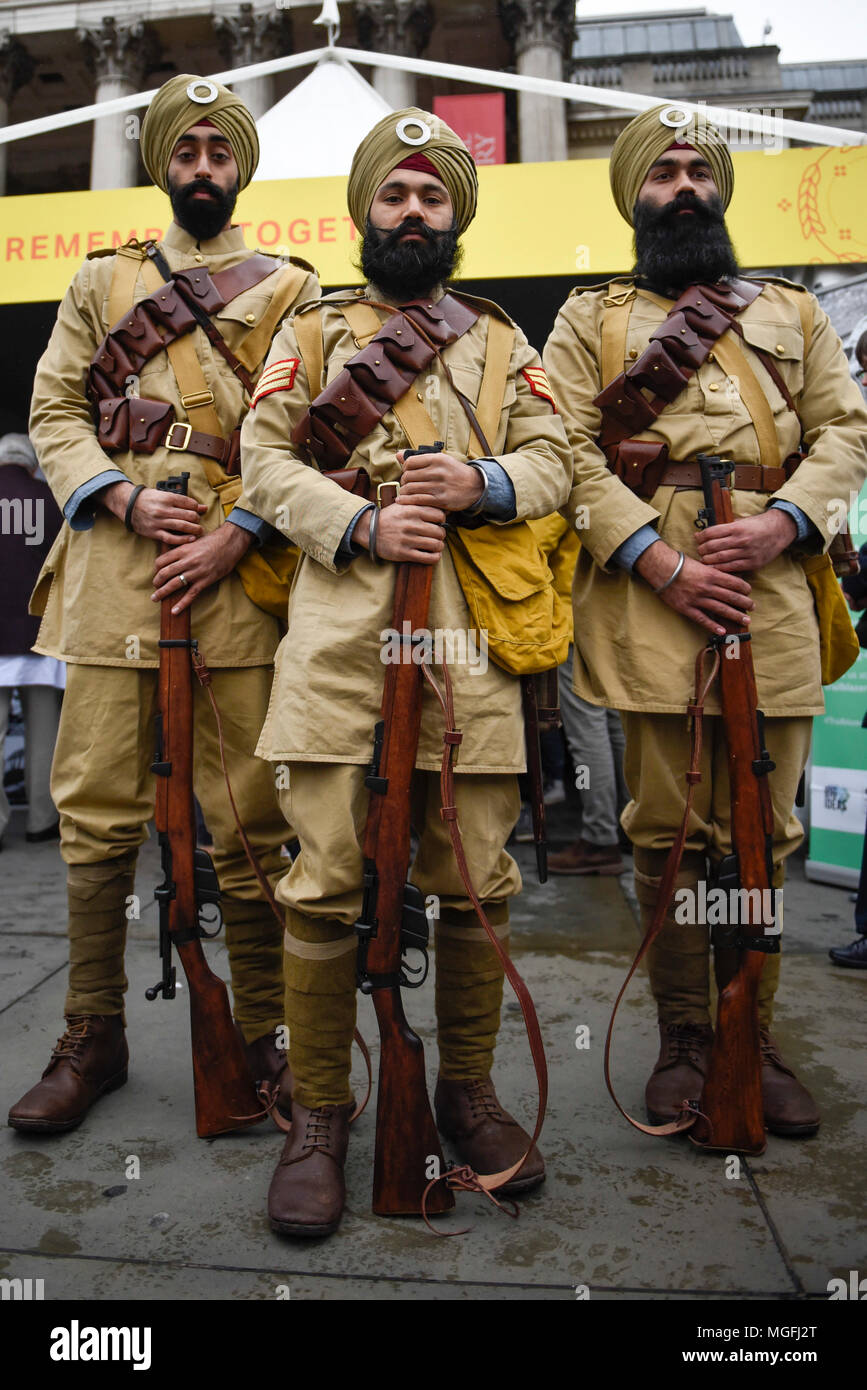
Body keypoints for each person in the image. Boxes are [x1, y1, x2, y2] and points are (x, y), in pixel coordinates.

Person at [241, 107, 572, 1236]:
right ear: (367, 212)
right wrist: (360, 524)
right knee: (324, 886)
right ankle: (322, 1116)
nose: (415, 213)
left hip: (470, 655)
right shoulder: (318, 330)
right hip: (338, 652)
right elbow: (262, 459)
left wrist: (481, 483)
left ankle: (466, 1094)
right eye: (397, 195)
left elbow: (556, 459)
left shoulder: (501, 341)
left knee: (477, 882)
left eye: (434, 197)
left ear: (455, 216)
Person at [544, 104, 867, 1136]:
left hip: (768, 585)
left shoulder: (792, 311)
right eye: (663, 172)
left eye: (698, 170)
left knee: (764, 828)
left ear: (720, 188)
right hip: (650, 592)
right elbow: (561, 453)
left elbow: (845, 430)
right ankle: (687, 1031)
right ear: (634, 194)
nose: (684, 185)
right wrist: (653, 557)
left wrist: (784, 521)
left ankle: (752, 1032)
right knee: (669, 832)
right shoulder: (587, 320)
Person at [8, 74, 319, 1135]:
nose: (201, 167)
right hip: (111, 574)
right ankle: (92, 1031)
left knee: (250, 823)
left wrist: (244, 530)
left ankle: (266, 1038)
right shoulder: (101, 283)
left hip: (238, 582)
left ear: (240, 168)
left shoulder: (290, 291)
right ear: (163, 166)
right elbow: (55, 408)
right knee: (94, 816)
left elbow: (311, 434)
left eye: (217, 151)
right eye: (184, 151)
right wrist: (124, 497)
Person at [0, 433, 64, 847]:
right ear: (31, 461)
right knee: (45, 731)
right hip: (38, 631)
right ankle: (42, 820)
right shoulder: (49, 499)